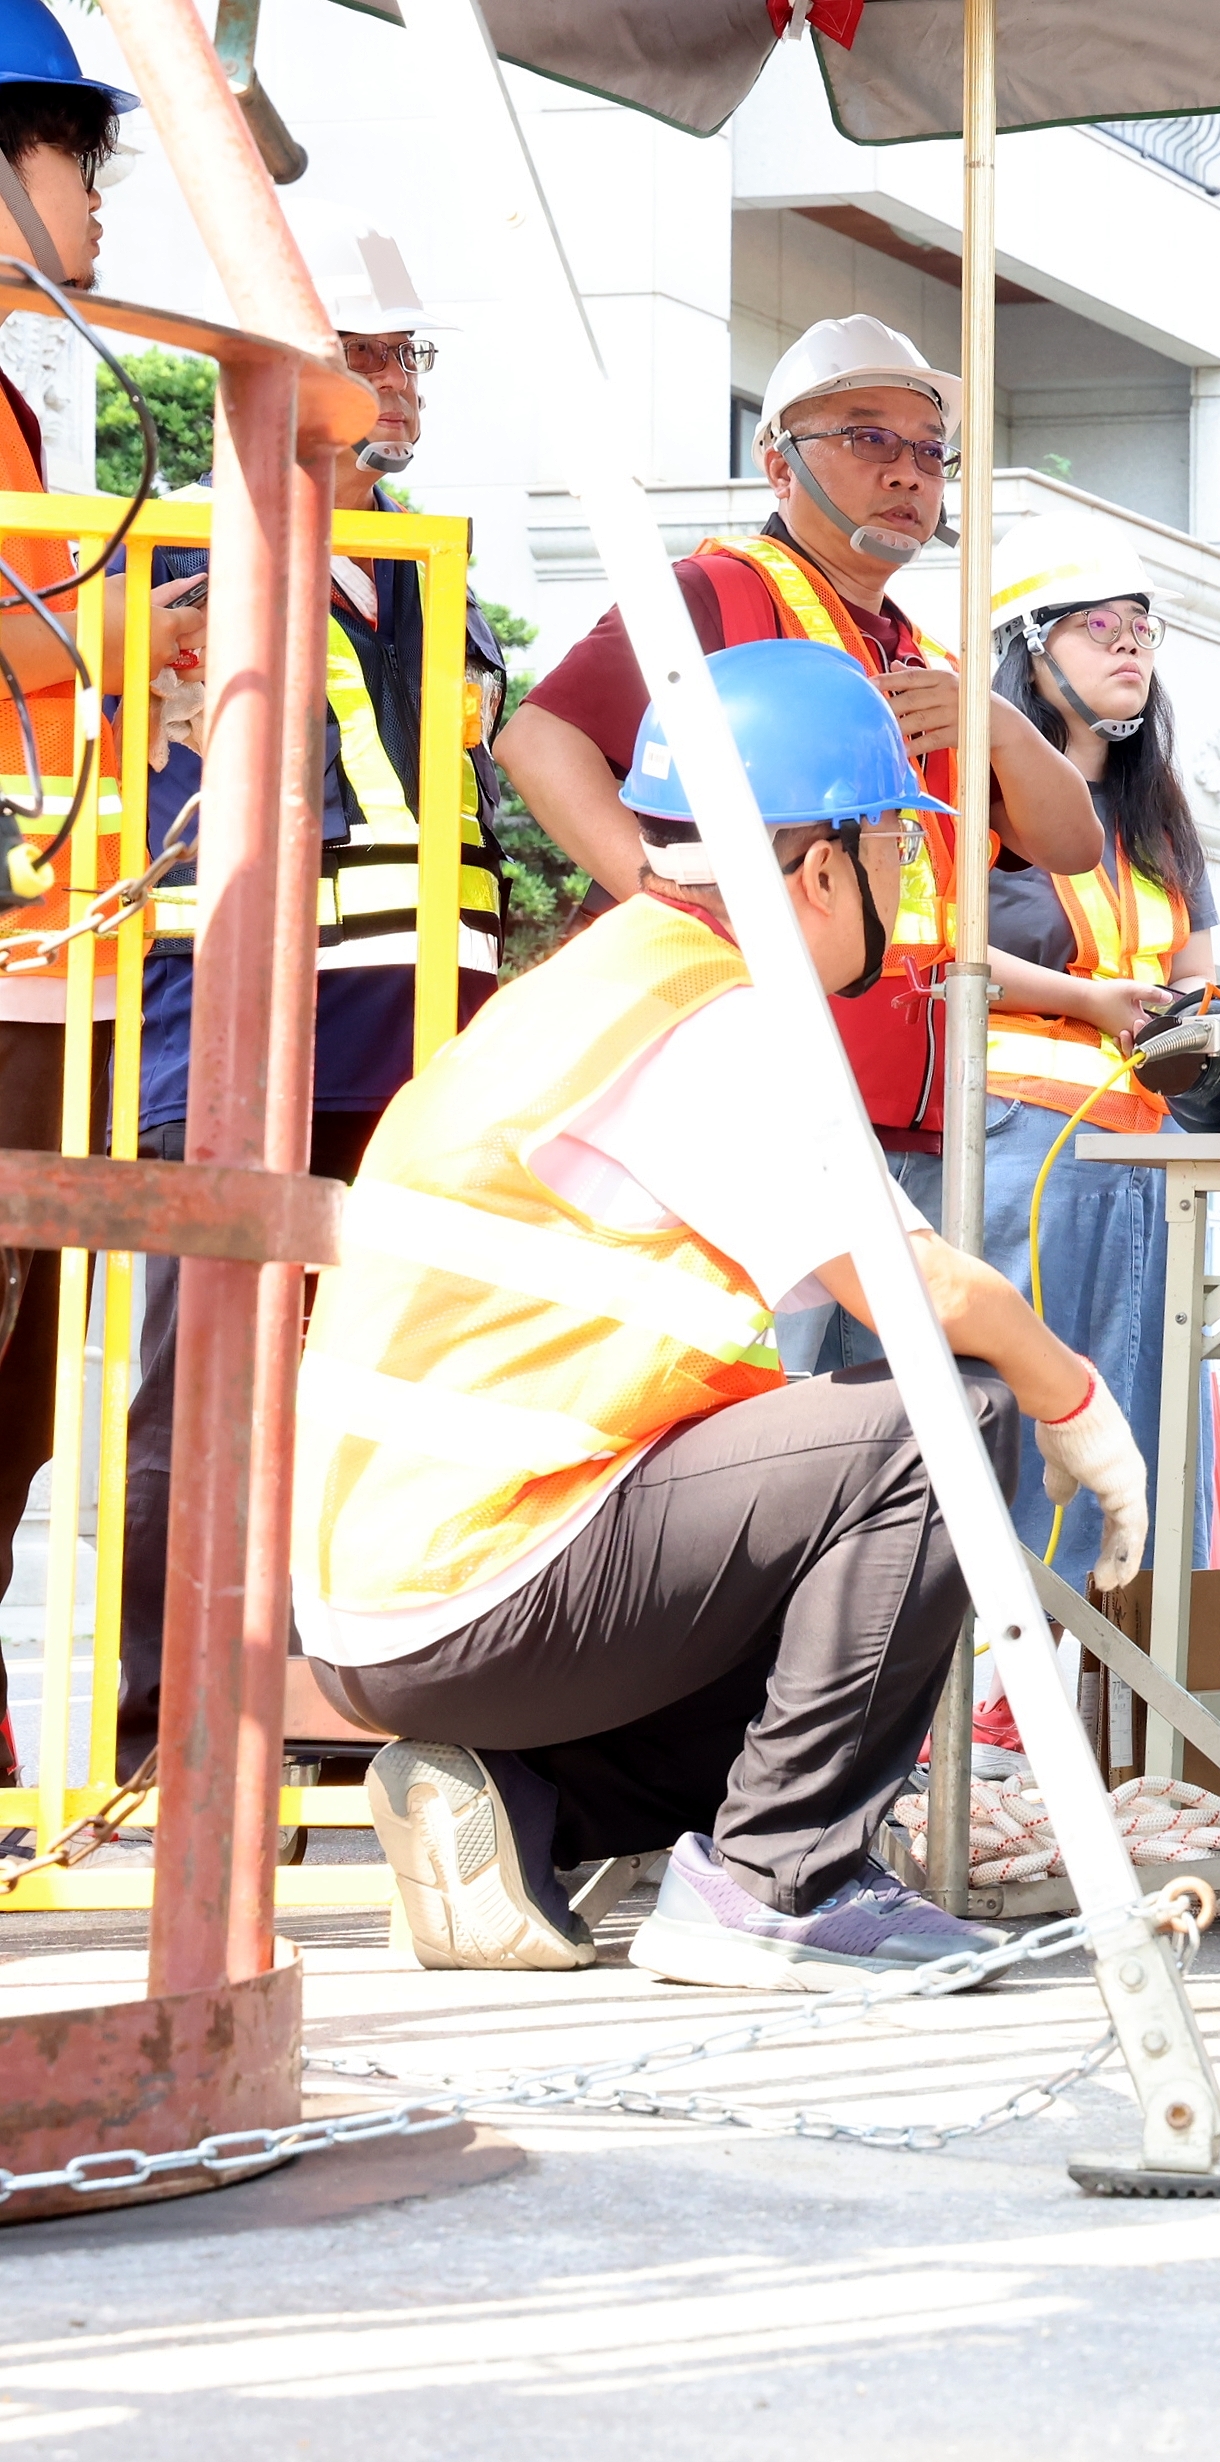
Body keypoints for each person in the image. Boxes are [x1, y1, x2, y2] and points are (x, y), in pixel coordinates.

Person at [307, 638, 1149, 1985]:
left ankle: (521, 1801)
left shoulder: (603, 979)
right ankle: (780, 1883)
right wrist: (1076, 1401)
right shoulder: (708, 1020)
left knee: (835, 1608)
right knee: (940, 1424)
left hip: (412, 1594)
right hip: (477, 1579)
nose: (908, 881)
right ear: (821, 867)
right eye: (897, 846)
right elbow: (923, 1288)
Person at [102, 203, 512, 1772]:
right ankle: (173, 1735)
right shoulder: (196, 545)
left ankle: (341, 1710)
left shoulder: (432, 565)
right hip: (237, 1032)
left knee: (387, 1384)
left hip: (418, 1043)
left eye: (410, 357)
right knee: (201, 1392)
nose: (397, 384)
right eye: (368, 353)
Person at [498, 313, 1103, 1370]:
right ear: (778, 463)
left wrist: (998, 724)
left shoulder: (924, 658)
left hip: (912, 1115)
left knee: (898, 1426)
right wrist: (660, 893)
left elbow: (1072, 843)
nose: (907, 472)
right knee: (758, 1396)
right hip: (754, 1105)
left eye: (930, 451)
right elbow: (538, 739)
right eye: (868, 438)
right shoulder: (714, 592)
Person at [0, 5, 200, 1794]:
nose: (101, 197)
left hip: (50, 965)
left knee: (18, 1407)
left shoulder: (11, 403)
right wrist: (158, 624)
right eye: (78, 155)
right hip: (12, 971)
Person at [971, 510, 1212, 1575]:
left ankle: (1132, 1662)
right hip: (1025, 1148)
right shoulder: (973, 793)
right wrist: (1087, 998)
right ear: (1027, 648)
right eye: (1098, 626)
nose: (1129, 647)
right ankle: (1012, 1660)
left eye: (1142, 629)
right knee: (1042, 1429)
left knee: (1149, 1429)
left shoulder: (1156, 807)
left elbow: (1195, 964)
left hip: (1152, 1154)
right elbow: (942, 952)